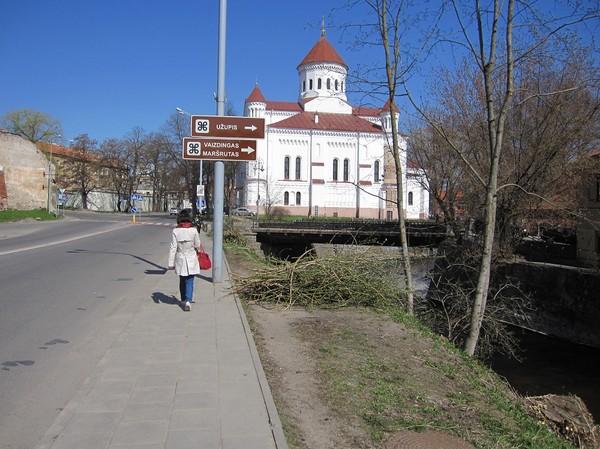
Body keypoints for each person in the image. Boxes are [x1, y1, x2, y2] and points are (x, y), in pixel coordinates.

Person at [167, 209, 201, 311]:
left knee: (182, 279)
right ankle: (188, 300)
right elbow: (198, 245)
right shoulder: (193, 230)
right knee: (190, 280)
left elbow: (173, 247)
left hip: (180, 258)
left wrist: (170, 263)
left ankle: (183, 299)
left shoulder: (176, 231)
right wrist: (198, 251)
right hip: (191, 257)